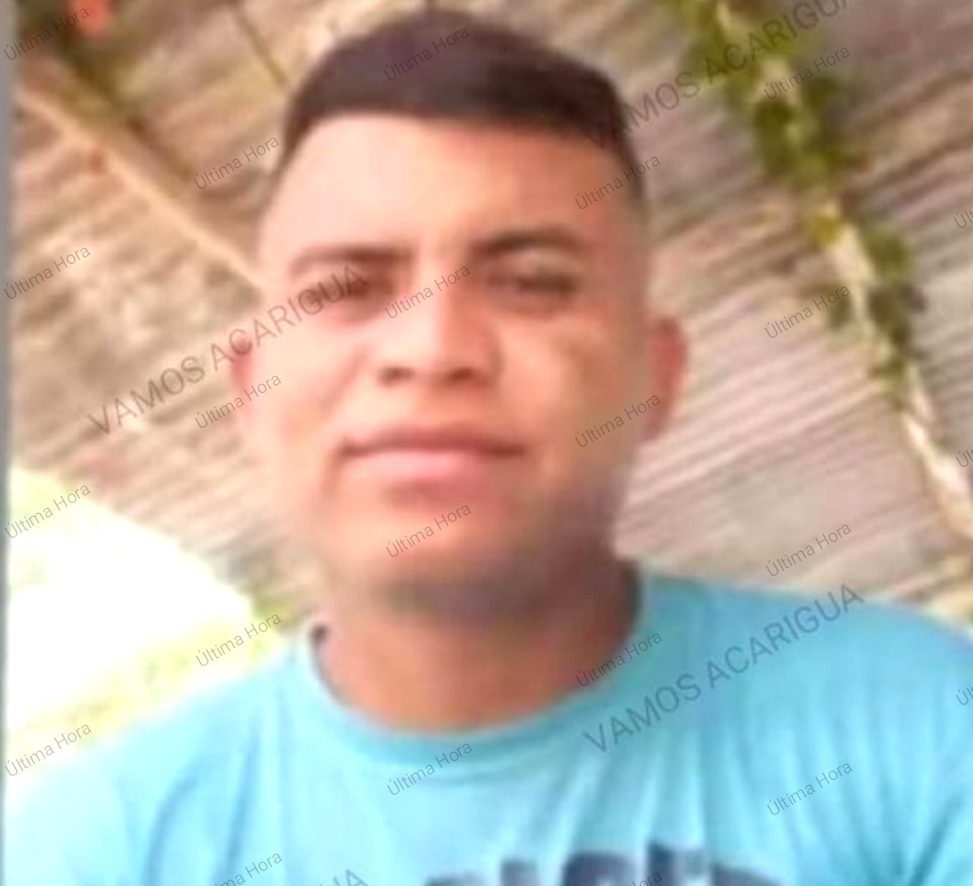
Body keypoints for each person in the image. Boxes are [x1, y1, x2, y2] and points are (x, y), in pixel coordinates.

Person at [6, 8, 972, 886]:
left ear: (655, 378)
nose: (432, 349)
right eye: (346, 288)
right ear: (251, 388)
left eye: (533, 283)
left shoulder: (918, 731)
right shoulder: (94, 852)